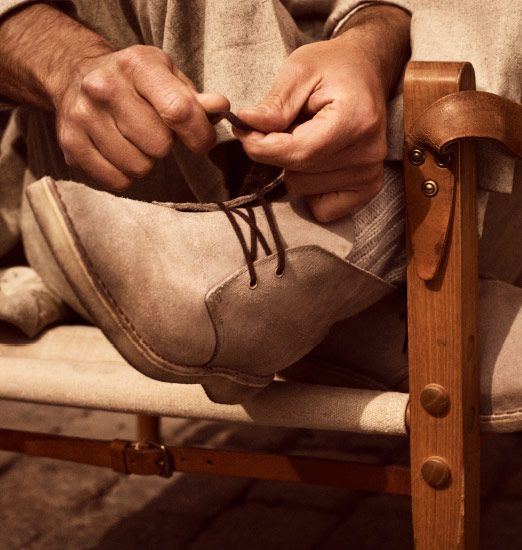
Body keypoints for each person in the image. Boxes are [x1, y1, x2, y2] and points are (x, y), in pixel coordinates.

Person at [0, 1, 520, 402]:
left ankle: (323, 268)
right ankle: (349, 257)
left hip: (419, 148)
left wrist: (367, 47)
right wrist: (66, 64)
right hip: (125, 160)